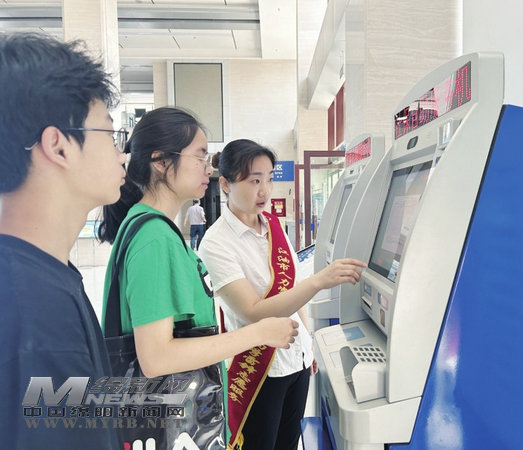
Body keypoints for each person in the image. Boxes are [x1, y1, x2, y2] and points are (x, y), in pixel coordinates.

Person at [97, 107, 299, 445]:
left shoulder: (153, 229)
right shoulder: (155, 238)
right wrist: (259, 333)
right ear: (160, 161)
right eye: (200, 156)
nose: (208, 168)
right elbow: (156, 357)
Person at [199, 139, 366, 450]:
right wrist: (319, 281)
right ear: (225, 184)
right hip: (260, 369)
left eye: (269, 179)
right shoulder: (216, 243)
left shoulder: (274, 226)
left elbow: (292, 289)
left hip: (296, 361)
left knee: (289, 444)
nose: (265, 191)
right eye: (254, 181)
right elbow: (252, 311)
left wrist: (308, 341)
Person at [0, 33, 125, 449]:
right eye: (110, 134)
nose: (121, 153)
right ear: (58, 146)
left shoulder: (41, 277)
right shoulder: (36, 311)